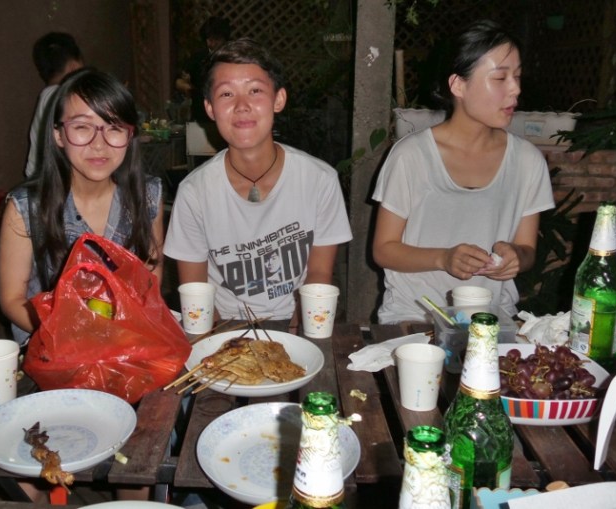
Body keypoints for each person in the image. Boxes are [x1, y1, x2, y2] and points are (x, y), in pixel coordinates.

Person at [371, 19, 555, 324]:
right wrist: (443, 258)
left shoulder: (527, 161)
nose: (515, 89)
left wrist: (515, 257)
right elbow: (384, 250)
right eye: (500, 78)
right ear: (458, 85)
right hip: (415, 316)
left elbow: (527, 250)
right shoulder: (411, 156)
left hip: (490, 318)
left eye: (517, 76)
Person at [164, 38, 352, 331]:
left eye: (255, 91)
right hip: (225, 325)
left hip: (294, 321)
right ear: (210, 108)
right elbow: (196, 295)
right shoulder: (194, 193)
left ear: (279, 100)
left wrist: (296, 334)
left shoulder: (320, 180)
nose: (242, 106)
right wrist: (222, 343)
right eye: (226, 94)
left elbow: (318, 275)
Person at [0, 68, 164, 347]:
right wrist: (71, 336)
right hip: (54, 347)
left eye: (114, 128)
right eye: (82, 127)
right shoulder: (26, 207)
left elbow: (150, 278)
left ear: (130, 135)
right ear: (59, 135)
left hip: (126, 341)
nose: (99, 144)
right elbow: (12, 299)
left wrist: (121, 334)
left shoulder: (146, 195)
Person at [24, 32, 84, 178]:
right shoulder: (65, 97)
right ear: (73, 66)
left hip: (40, 178)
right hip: (52, 181)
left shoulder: (47, 95)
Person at [183, 16, 232, 124]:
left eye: (217, 40)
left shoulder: (232, 58)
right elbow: (181, 79)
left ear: (225, 39)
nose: (212, 44)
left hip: (226, 113)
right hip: (200, 113)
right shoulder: (198, 57)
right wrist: (187, 87)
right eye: (209, 39)